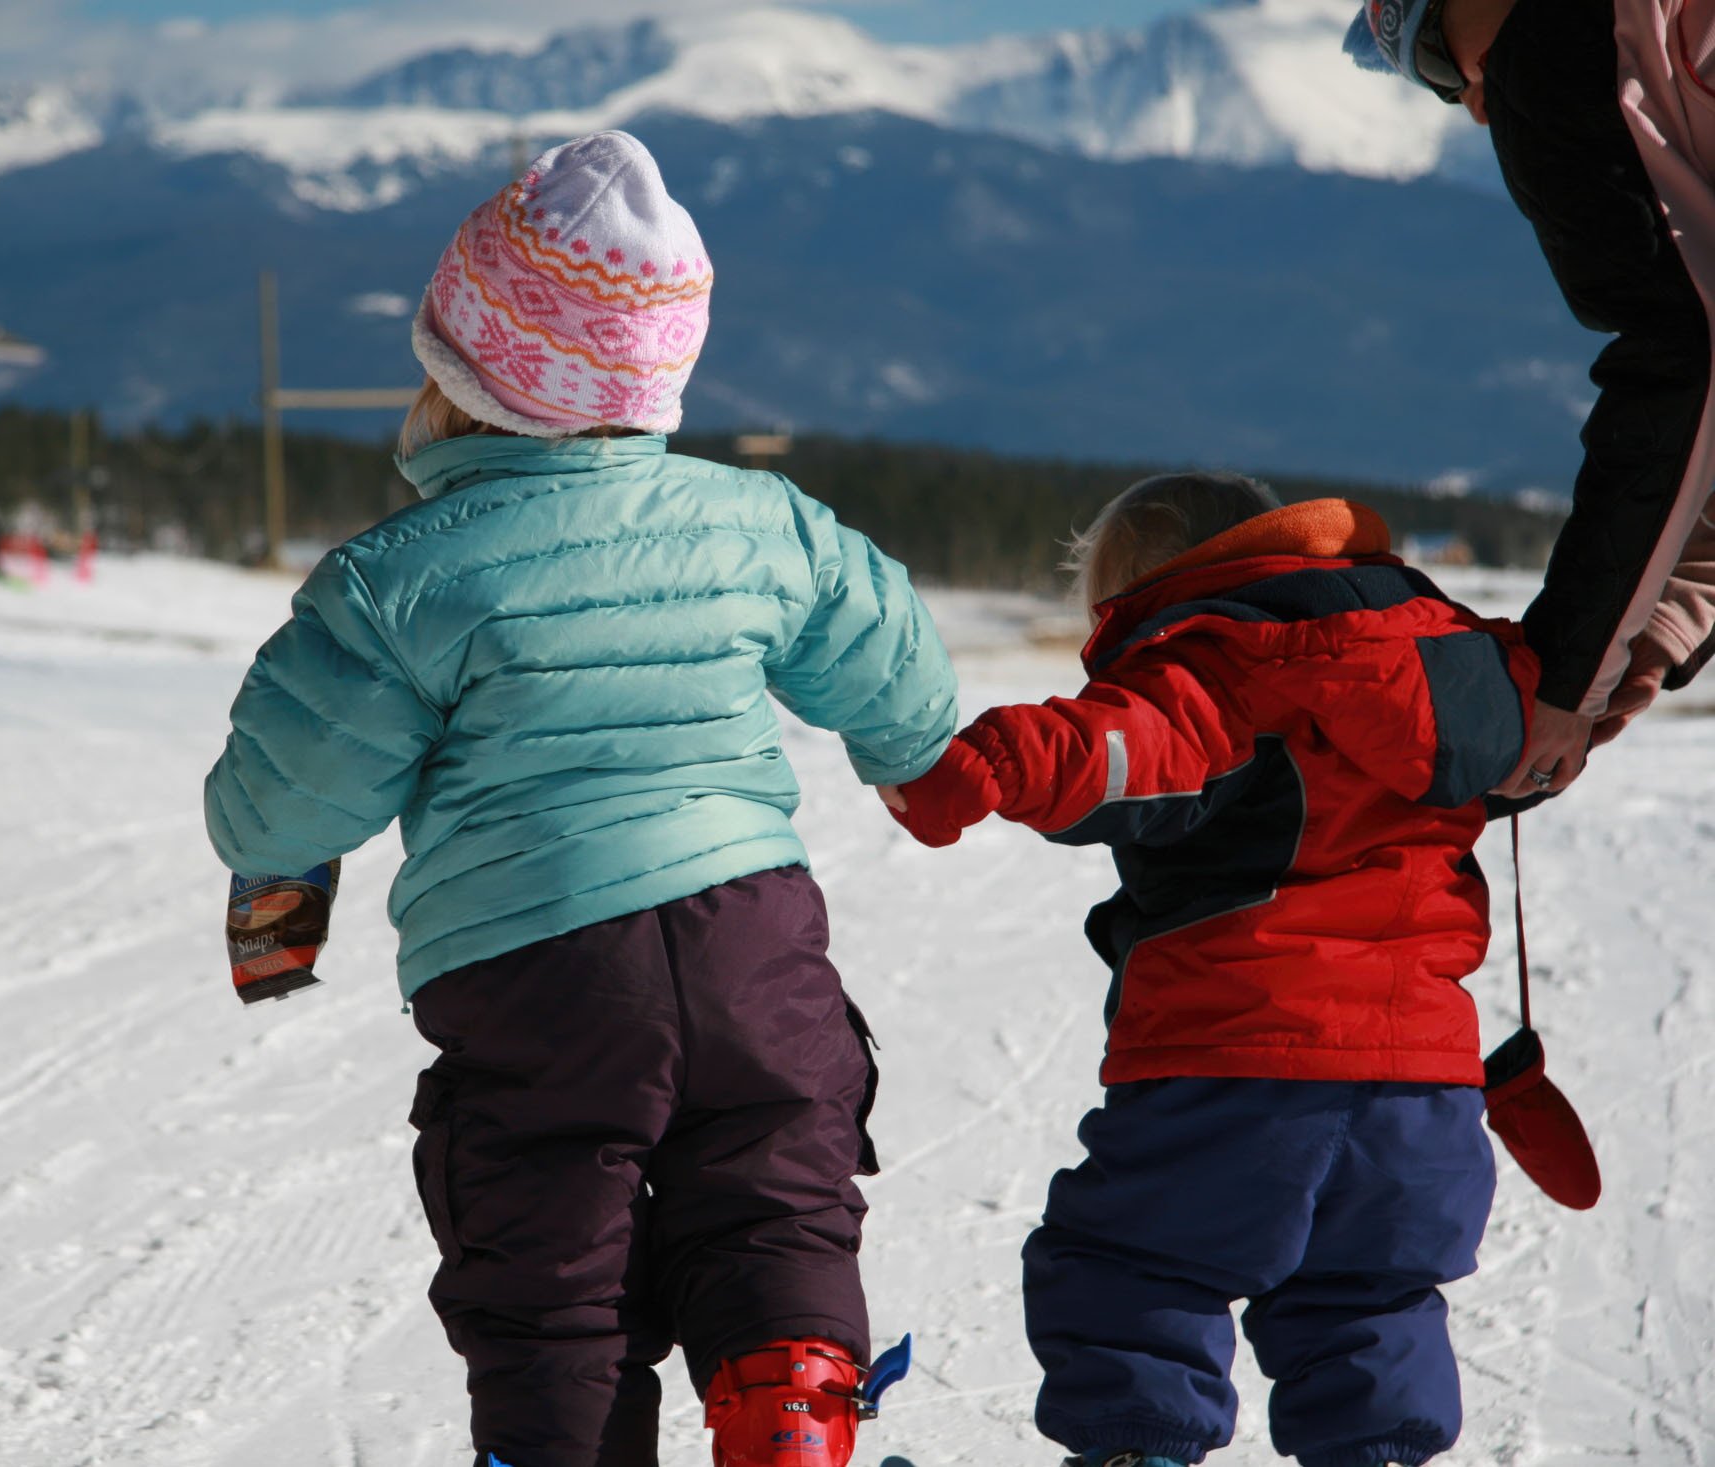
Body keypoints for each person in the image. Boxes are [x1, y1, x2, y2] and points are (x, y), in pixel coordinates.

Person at [202, 131, 956, 1467]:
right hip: (750, 934)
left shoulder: (401, 577)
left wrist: (274, 868)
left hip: (536, 964)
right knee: (775, 1180)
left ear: (456, 372)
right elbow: (892, 658)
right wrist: (913, 753)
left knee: (555, 1258)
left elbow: (288, 794)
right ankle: (790, 1408)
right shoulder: (756, 520)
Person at [883, 474, 1539, 1467]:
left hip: (1241, 1064)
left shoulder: (1225, 655)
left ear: (1146, 583)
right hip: (1425, 1089)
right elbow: (1563, 718)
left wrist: (977, 767)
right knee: (1365, 1297)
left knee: (1130, 1264)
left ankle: (1135, 1451)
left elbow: (1125, 749)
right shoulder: (1446, 669)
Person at [1348, 0, 1715, 796]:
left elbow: (1679, 359)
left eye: (1441, 64)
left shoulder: (1552, 41)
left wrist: (1563, 680)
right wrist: (1663, 612)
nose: (1475, 102)